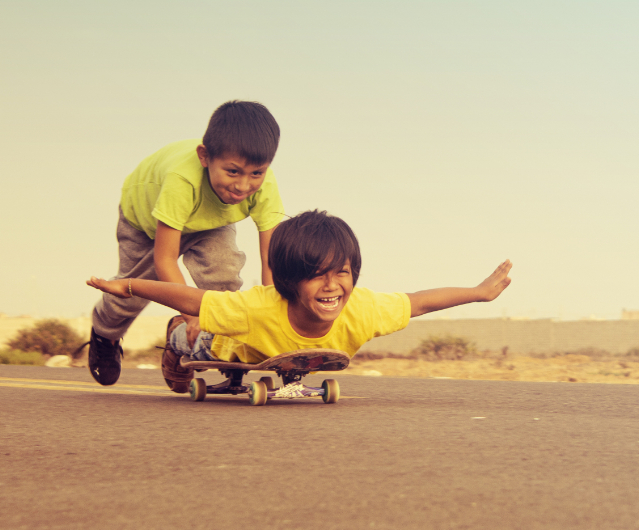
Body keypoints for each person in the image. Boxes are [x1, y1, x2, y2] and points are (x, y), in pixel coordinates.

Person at [86, 210, 512, 385]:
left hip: (281, 354)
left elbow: (418, 302)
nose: (332, 286)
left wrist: (478, 293)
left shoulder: (362, 308)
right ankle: (177, 338)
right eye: (315, 276)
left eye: (341, 273)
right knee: (197, 331)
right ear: (289, 281)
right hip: (229, 344)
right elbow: (193, 297)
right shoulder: (255, 307)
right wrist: (127, 286)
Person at [85, 100, 284, 388]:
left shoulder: (263, 185)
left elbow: (271, 259)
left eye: (256, 173)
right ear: (205, 157)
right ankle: (105, 334)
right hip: (146, 222)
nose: (243, 185)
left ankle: (198, 345)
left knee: (224, 278)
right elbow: (164, 261)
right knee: (133, 293)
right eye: (232, 172)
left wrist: (274, 317)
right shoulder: (182, 179)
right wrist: (191, 315)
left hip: (212, 219)